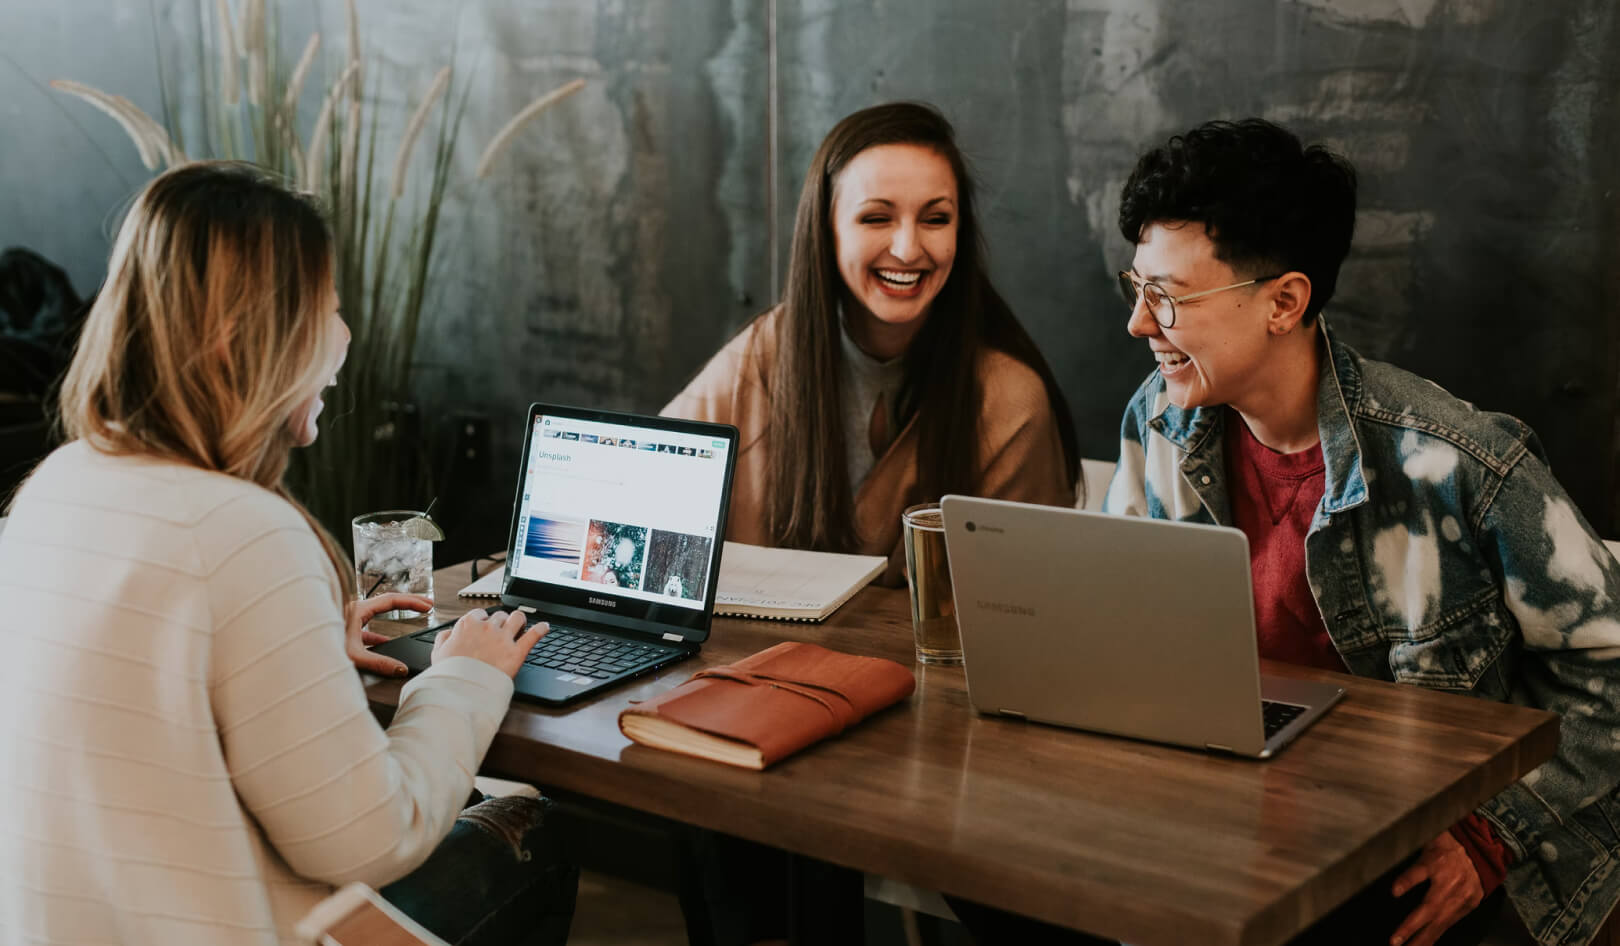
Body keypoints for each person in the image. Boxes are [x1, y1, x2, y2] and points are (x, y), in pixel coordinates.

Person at [956, 118, 1620, 946]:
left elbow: (1610, 666)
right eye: (1137, 285)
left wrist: (1493, 837)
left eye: (1168, 296)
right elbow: (1118, 642)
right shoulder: (1158, 421)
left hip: (1404, 844)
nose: (1137, 323)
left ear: (1284, 301)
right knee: (983, 870)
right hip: (1228, 816)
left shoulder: (1455, 463)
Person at [0, 162, 577, 946]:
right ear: (250, 339)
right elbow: (372, 838)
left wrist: (298, 641)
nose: (343, 337)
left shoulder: (54, 486)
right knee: (535, 832)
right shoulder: (243, 530)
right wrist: (464, 676)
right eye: (329, 309)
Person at [664, 101, 1079, 586]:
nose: (907, 249)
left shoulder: (1010, 402)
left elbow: (1026, 606)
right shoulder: (760, 357)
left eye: (936, 219)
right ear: (827, 230)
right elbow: (643, 490)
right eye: (876, 218)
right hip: (752, 661)